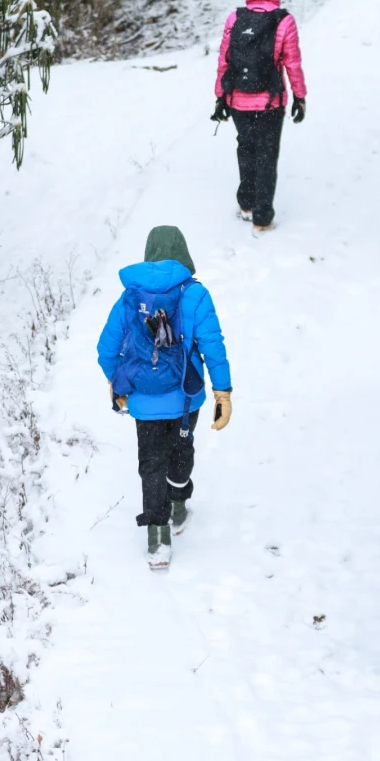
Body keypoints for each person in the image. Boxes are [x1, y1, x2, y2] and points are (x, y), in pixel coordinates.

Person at [96, 225, 232, 569]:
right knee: (180, 451)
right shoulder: (195, 295)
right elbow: (213, 347)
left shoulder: (130, 297)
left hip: (144, 399)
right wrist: (223, 393)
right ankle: (178, 501)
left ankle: (158, 538)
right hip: (187, 397)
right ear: (183, 254)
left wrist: (117, 386)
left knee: (151, 463)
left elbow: (106, 349)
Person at [212, 0, 307, 232]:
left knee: (246, 147)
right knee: (267, 153)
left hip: (238, 99)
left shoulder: (235, 20)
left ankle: (246, 203)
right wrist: (300, 97)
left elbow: (224, 61)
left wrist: (221, 96)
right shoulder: (283, 21)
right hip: (271, 102)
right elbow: (293, 64)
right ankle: (262, 218)